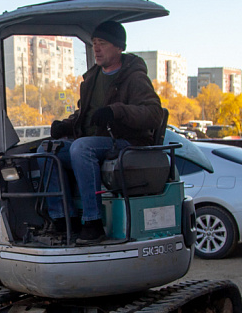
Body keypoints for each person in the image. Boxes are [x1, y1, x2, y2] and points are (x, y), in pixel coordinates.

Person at [41, 21, 164, 244]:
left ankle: (93, 222)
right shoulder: (92, 78)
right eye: (94, 43)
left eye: (103, 43)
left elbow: (154, 113)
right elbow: (85, 115)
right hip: (94, 142)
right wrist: (66, 126)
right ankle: (63, 219)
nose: (96, 49)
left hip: (125, 143)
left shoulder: (134, 77)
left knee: (81, 148)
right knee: (47, 150)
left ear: (118, 47)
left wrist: (116, 112)